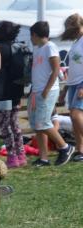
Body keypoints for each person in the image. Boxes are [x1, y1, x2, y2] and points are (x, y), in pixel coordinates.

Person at [28, 21, 74, 167]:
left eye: (31, 36)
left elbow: (56, 70)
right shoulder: (38, 49)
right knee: (37, 124)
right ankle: (43, 158)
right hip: (36, 91)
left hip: (46, 91)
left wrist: (47, 90)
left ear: (35, 35)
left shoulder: (50, 47)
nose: (31, 39)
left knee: (42, 123)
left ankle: (65, 147)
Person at [0, 21, 27, 168]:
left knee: (5, 125)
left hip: (2, 92)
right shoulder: (19, 47)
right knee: (15, 124)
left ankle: (12, 157)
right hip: (16, 89)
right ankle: (21, 155)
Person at [60, 13, 83, 162]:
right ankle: (80, 149)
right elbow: (73, 67)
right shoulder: (76, 42)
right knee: (74, 119)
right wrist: (64, 90)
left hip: (81, 82)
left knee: (76, 115)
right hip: (73, 83)